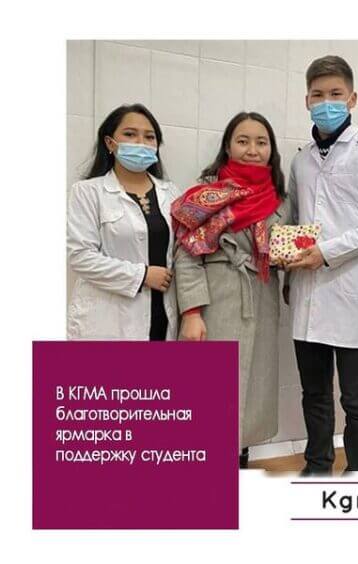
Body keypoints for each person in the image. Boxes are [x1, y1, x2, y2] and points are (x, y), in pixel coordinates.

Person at [285, 56, 358, 474]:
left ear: (352, 98)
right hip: (308, 292)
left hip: (354, 292)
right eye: (318, 95)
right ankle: (317, 465)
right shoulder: (300, 160)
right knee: (314, 393)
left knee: (357, 399)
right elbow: (295, 220)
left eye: (336, 94)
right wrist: (286, 259)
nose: (326, 102)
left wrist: (327, 251)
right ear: (306, 100)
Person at [172, 112, 290, 468]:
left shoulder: (281, 200)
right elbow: (186, 256)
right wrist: (192, 312)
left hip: (261, 300)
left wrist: (292, 259)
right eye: (243, 141)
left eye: (261, 142)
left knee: (249, 395)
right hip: (216, 301)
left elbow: (284, 251)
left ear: (271, 150)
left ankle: (239, 463)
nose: (252, 149)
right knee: (207, 394)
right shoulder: (205, 195)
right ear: (227, 146)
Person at [67, 104, 180, 340]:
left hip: (162, 315)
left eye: (149, 137)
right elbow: (80, 256)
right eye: (130, 134)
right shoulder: (87, 191)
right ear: (110, 143)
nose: (141, 143)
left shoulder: (171, 193)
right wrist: (142, 275)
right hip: (108, 320)